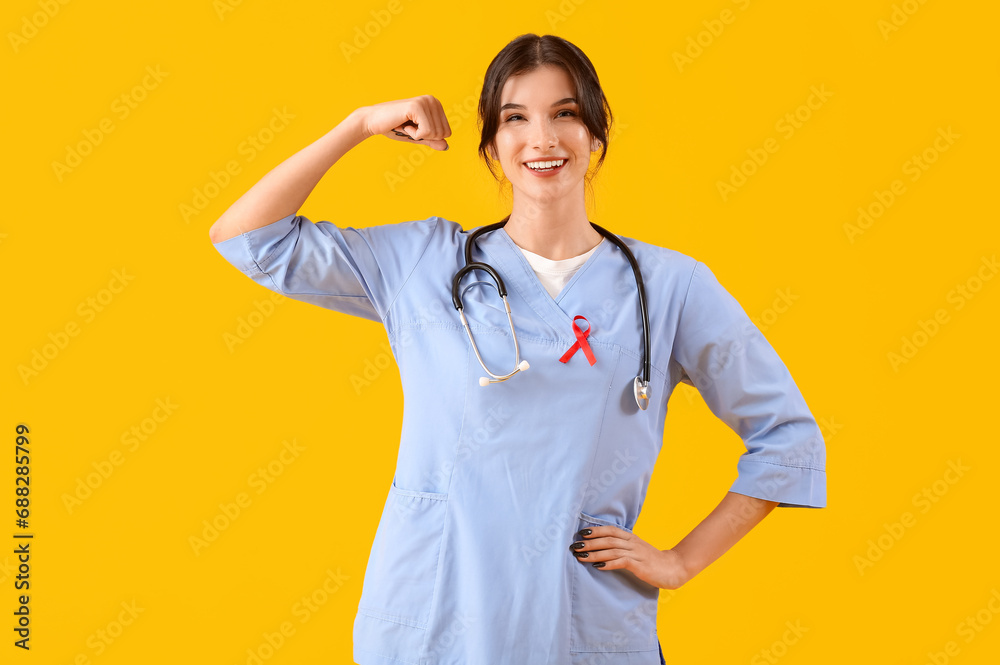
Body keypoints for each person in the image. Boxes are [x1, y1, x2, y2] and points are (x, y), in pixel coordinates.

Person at [209, 33, 826, 665]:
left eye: (565, 114)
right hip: (433, 619)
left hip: (581, 622)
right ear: (491, 146)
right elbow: (248, 238)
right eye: (515, 118)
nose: (543, 139)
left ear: (596, 136)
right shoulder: (422, 263)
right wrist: (358, 125)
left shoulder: (669, 286)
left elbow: (788, 438)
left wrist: (680, 563)